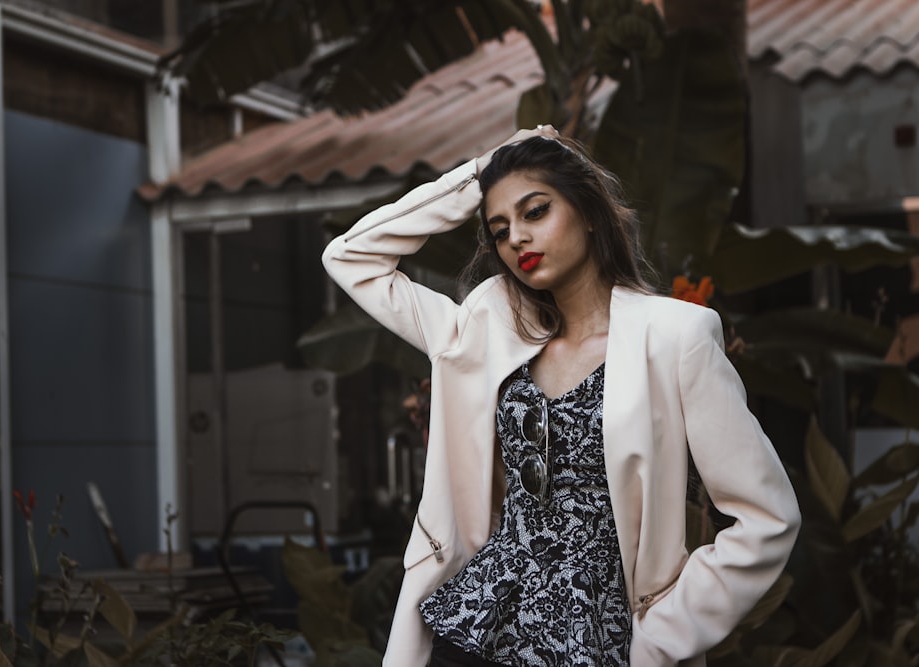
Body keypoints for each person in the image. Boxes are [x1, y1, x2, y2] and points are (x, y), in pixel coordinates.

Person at [322, 126, 801, 666]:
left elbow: (767, 517)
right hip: (477, 628)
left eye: (535, 212)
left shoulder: (675, 337)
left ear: (590, 211)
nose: (517, 239)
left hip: (599, 641)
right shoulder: (484, 332)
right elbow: (350, 256)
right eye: (500, 229)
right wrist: (481, 171)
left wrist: (667, 631)